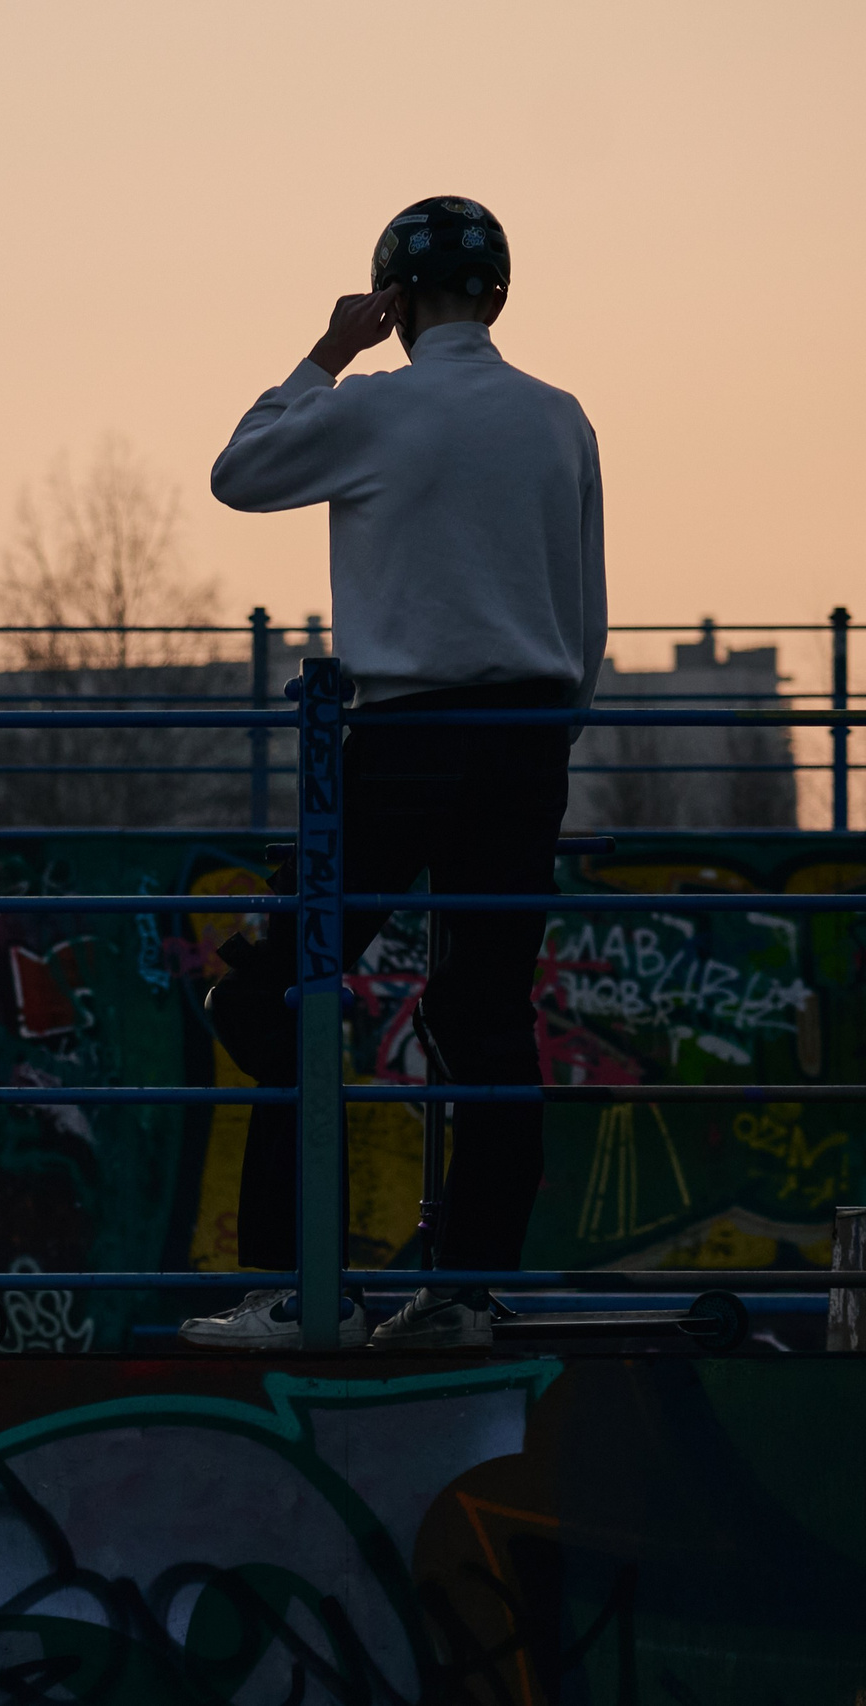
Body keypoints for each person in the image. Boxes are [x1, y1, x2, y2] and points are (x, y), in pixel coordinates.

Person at [184, 196, 606, 1352]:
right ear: (499, 295)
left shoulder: (373, 405)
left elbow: (238, 472)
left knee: (277, 989)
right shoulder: (559, 417)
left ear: (395, 300)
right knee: (486, 1016)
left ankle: (300, 1283)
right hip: (528, 735)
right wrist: (551, 731)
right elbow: (586, 610)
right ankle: (465, 1292)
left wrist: (327, 352)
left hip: (402, 734)